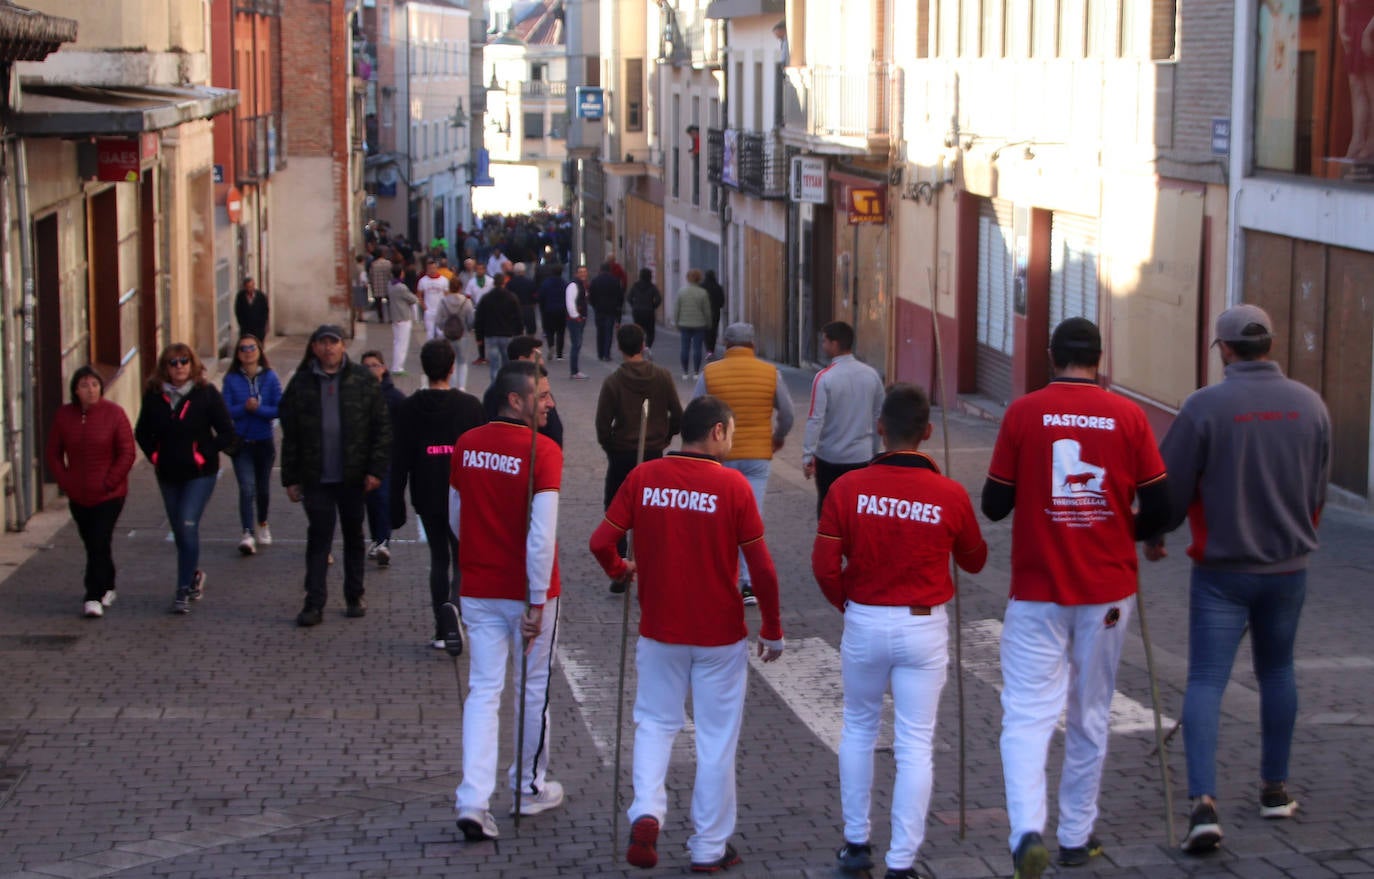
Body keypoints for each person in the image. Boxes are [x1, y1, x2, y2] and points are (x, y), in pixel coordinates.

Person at [981, 317, 1171, 878]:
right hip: (1108, 591)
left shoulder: (1023, 412)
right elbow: (1161, 507)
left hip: (1036, 592)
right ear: (1100, 358)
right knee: (1090, 713)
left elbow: (994, 504)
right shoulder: (1130, 416)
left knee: (1026, 716)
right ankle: (1076, 836)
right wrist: (1126, 530)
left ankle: (1025, 833)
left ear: (1050, 354)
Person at [1147, 304, 1331, 855]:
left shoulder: (1205, 407)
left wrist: (1155, 533)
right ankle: (1274, 790)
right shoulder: (1311, 405)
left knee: (1207, 679)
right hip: (1287, 569)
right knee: (1278, 672)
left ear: (1224, 350)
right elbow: (1317, 491)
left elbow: (1170, 487)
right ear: (1269, 345)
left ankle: (1204, 803)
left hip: (1222, 572)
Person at [589, 395, 785, 873]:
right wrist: (773, 628)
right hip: (719, 634)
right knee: (716, 739)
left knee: (655, 724)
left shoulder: (643, 477)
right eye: (732, 433)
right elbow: (761, 567)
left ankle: (648, 811)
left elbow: (600, 541)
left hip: (660, 629)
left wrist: (622, 567)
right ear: (717, 432)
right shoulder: (733, 486)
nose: (732, 442)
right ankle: (709, 846)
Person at [812, 383, 988, 879]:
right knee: (915, 743)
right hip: (922, 625)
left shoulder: (847, 489)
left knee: (859, 728)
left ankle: (855, 842)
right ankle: (902, 861)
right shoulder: (948, 493)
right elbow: (975, 561)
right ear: (928, 433)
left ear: (880, 428)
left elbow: (824, 565)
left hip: (865, 618)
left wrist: (846, 601)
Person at [451, 361, 565, 842]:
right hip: (526, 591)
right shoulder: (544, 451)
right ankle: (527, 785)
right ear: (515, 401)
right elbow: (542, 535)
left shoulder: (466, 445)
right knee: (532, 688)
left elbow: (456, 517)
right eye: (541, 395)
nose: (549, 402)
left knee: (483, 691)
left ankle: (473, 799)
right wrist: (537, 599)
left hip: (479, 586)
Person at [279, 325, 393, 627]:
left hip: (353, 477)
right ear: (315, 348)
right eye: (323, 343)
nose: (329, 348)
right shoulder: (301, 384)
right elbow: (290, 434)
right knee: (319, 539)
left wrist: (375, 470)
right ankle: (314, 602)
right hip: (316, 476)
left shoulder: (362, 381)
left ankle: (355, 595)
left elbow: (381, 428)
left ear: (343, 346)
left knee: (354, 536)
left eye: (334, 342)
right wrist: (290, 478)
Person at [391, 339, 487, 648]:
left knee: (438, 558)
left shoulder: (408, 408)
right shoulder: (470, 406)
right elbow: (483, 456)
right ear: (450, 367)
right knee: (462, 559)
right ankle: (454, 611)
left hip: (426, 491)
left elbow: (399, 459)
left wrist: (395, 501)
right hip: (462, 494)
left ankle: (440, 627)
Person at [693, 322, 794, 605]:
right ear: (753, 345)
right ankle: (749, 584)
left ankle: (719, 578)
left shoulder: (711, 373)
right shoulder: (770, 373)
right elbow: (787, 413)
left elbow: (696, 410)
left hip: (720, 456)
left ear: (726, 345)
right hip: (757, 456)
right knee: (752, 519)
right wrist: (777, 437)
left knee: (719, 518)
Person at [135, 344, 238, 615]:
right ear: (164, 368)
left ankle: (181, 590)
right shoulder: (155, 396)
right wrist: (155, 456)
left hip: (199, 474)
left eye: (183, 361)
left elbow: (227, 432)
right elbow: (142, 432)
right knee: (180, 530)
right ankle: (192, 576)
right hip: (168, 473)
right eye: (173, 362)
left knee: (187, 523)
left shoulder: (206, 395)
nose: (179, 366)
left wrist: (203, 454)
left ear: (192, 365)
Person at [595, 324, 683, 593]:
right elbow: (677, 415)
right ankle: (652, 565)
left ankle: (621, 565)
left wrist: (612, 446)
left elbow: (602, 424)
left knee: (616, 509)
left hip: (622, 453)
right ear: (643, 344)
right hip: (653, 452)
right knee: (652, 510)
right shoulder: (662, 376)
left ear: (619, 347)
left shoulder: (613, 381)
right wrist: (665, 437)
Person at [45, 366, 135, 619]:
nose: (91, 390)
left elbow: (127, 452)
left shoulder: (114, 414)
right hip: (78, 493)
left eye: (95, 385)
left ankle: (93, 595)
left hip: (110, 494)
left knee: (98, 539)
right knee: (94, 543)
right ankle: (107, 583)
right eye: (85, 385)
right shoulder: (64, 416)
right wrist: (66, 482)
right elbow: (53, 453)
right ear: (76, 390)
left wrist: (110, 481)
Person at [802, 321, 885, 517]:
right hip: (861, 457)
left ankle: (829, 544)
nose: (823, 346)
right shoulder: (872, 375)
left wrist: (808, 455)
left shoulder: (824, 377)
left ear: (835, 344)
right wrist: (874, 450)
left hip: (830, 457)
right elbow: (878, 417)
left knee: (828, 507)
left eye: (825, 342)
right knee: (857, 509)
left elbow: (815, 419)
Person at [221, 334, 283, 556]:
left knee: (263, 489)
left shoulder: (270, 377)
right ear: (237, 354)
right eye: (243, 348)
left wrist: (259, 410)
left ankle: (262, 522)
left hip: (264, 442)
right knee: (247, 488)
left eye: (252, 347)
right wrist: (243, 408)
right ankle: (247, 532)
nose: (248, 351)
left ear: (259, 351)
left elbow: (279, 408)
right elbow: (225, 409)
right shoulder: (231, 380)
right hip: (242, 443)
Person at [360, 351, 406, 565]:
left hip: (387, 457)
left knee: (383, 499)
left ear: (384, 368)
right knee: (370, 500)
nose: (371, 370)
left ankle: (384, 542)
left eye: (375, 365)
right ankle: (377, 539)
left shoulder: (394, 397)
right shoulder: (355, 394)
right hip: (362, 455)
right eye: (366, 366)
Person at [483, 335, 564, 447]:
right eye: (537, 357)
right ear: (522, 360)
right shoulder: (494, 393)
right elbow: (554, 432)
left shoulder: (493, 390)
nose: (542, 362)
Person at [474, 272, 524, 384]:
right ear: (504, 282)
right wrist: (519, 331)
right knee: (507, 363)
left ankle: (495, 387)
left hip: (491, 334)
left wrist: (479, 336)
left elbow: (479, 318)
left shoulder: (486, 298)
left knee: (494, 365)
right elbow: (518, 316)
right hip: (507, 333)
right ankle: (507, 385)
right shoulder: (511, 297)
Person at [434, 275, 477, 391]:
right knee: (462, 362)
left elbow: (438, 320)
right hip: (462, 335)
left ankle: (451, 386)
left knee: (450, 361)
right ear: (460, 288)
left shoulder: (443, 301)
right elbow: (471, 320)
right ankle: (462, 386)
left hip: (447, 336)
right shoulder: (466, 302)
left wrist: (444, 328)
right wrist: (467, 328)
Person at [673, 269, 712, 380]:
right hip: (699, 324)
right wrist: (709, 323)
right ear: (699, 278)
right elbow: (707, 311)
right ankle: (696, 372)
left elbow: (677, 309)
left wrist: (676, 322)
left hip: (684, 324)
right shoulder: (703, 293)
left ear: (688, 278)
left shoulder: (682, 292)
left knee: (685, 348)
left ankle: (685, 372)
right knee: (697, 348)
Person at [386, 266, 419, 375]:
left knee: (397, 342)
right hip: (403, 316)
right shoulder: (401, 287)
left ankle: (396, 365)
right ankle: (398, 367)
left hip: (395, 317)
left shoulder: (390, 285)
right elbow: (413, 299)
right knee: (403, 343)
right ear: (400, 273)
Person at [589, 262, 625, 363]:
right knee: (608, 332)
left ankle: (600, 353)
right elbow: (620, 296)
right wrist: (618, 309)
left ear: (600, 270)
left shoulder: (595, 281)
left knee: (600, 332)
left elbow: (591, 296)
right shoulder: (615, 281)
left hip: (599, 310)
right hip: (611, 310)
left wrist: (595, 305)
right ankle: (606, 354)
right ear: (609, 270)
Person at [465, 261, 494, 364]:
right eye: (478, 269)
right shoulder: (472, 282)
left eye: (481, 269)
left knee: (490, 333)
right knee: (479, 333)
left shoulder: (491, 281)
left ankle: (491, 355)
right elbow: (468, 296)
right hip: (477, 309)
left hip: (489, 310)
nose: (479, 271)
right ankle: (481, 355)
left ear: (485, 270)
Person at [565, 264, 590, 380]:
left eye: (584, 272)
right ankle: (574, 371)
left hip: (580, 318)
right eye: (580, 272)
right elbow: (570, 303)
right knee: (576, 344)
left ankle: (575, 371)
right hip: (575, 320)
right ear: (576, 274)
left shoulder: (582, 285)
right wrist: (576, 317)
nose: (583, 274)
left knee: (578, 344)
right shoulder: (573, 285)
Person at [538, 263, 567, 360]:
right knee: (561, 332)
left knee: (549, 331)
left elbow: (541, 296)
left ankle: (551, 345)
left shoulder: (546, 283)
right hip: (561, 310)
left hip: (548, 310)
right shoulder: (564, 283)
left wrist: (542, 308)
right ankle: (559, 354)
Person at [627, 268, 662, 349]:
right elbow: (658, 299)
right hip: (649, 312)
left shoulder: (635, 286)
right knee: (650, 332)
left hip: (637, 312)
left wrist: (634, 305)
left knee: (638, 331)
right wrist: (653, 306)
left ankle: (639, 347)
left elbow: (629, 297)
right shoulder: (652, 287)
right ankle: (647, 347)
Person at [418, 258, 450, 341]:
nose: (432, 270)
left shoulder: (444, 280)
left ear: (437, 268)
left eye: (433, 268)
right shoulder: (422, 281)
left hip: (440, 310)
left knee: (441, 333)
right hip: (429, 311)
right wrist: (425, 308)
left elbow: (447, 296)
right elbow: (419, 295)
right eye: (430, 268)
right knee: (430, 334)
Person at [508, 261, 539, 336]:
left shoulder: (510, 283)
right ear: (524, 271)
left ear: (515, 272)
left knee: (516, 332)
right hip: (528, 308)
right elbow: (535, 296)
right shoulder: (530, 282)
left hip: (515, 310)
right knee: (531, 331)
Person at [234, 277, 269, 344]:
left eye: (251, 286)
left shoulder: (261, 296)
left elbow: (265, 311)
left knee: (258, 347)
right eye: (248, 287)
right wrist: (241, 323)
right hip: (246, 328)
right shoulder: (240, 296)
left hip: (258, 328)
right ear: (245, 287)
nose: (250, 288)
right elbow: (238, 311)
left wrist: (264, 325)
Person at [702, 269, 726, 357]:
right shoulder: (718, 287)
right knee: (714, 331)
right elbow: (722, 301)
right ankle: (712, 349)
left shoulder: (702, 286)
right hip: (715, 312)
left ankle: (708, 350)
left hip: (704, 313)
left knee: (706, 332)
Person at [369, 247, 395, 324]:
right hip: (387, 285)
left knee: (378, 304)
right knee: (389, 303)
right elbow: (391, 275)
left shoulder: (373, 264)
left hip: (377, 286)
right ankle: (391, 318)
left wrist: (371, 284)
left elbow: (371, 276)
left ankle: (381, 318)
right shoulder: (388, 263)